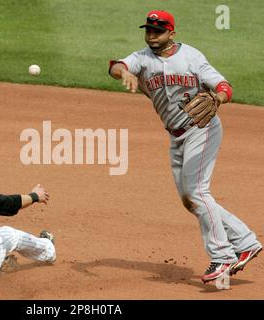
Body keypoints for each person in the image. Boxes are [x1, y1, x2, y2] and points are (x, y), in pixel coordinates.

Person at [109, 10, 262, 283]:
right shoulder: (142, 58)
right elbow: (116, 65)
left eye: (158, 31)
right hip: (176, 135)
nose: (152, 36)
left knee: (197, 192)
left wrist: (216, 98)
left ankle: (223, 255)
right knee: (191, 200)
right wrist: (124, 74)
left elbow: (224, 86)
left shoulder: (192, 57)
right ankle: (246, 241)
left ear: (171, 33)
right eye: (149, 30)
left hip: (201, 129)